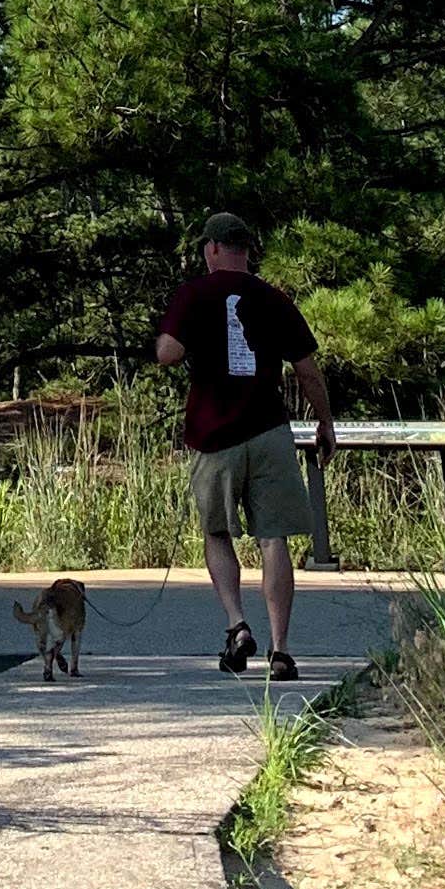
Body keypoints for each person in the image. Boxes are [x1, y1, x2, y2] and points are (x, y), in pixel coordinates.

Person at [154, 211, 332, 679]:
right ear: (246, 250)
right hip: (270, 431)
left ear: (211, 250)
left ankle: (236, 624)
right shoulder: (274, 298)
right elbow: (308, 370)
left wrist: (175, 343)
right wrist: (325, 423)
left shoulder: (193, 294)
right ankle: (281, 650)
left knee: (217, 532)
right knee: (274, 538)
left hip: (215, 436)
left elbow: (169, 354)